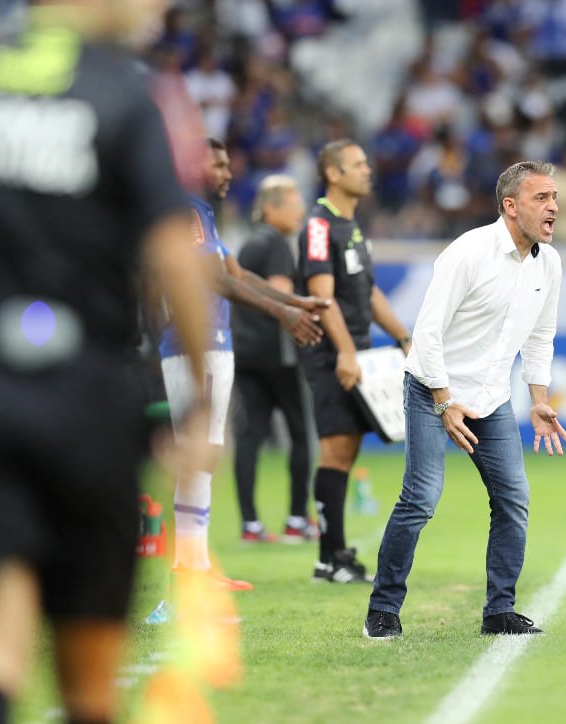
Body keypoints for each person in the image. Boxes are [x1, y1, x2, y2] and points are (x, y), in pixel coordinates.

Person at [0, 1, 216, 721]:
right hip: (84, 398)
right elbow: (173, 254)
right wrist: (203, 397)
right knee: (89, 682)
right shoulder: (126, 94)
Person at [364, 161, 566, 640]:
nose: (554, 207)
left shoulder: (550, 263)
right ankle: (383, 610)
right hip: (431, 388)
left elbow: (540, 337)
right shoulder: (469, 252)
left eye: (554, 197)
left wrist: (538, 399)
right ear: (511, 206)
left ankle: (499, 611)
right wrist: (444, 400)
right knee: (421, 499)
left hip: (492, 397)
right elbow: (427, 333)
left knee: (513, 500)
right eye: (542, 198)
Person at [156, 139, 328, 602]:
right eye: (218, 163)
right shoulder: (186, 208)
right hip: (196, 343)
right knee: (199, 455)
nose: (228, 171)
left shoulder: (203, 214)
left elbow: (237, 272)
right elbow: (214, 279)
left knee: (206, 456)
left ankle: (195, 567)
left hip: (216, 344)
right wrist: (282, 316)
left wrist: (294, 301)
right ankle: (186, 574)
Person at [297, 138, 413, 584]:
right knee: (335, 451)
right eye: (358, 164)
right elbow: (323, 298)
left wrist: (403, 336)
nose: (368, 170)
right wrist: (345, 351)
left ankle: (337, 553)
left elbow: (368, 291)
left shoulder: (353, 227)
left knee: (346, 452)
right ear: (333, 173)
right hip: (331, 352)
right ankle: (328, 560)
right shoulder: (319, 227)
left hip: (358, 349)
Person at [231, 174, 319, 543]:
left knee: (251, 434)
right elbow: (281, 295)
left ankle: (250, 523)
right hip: (279, 354)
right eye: (295, 205)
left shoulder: (247, 245)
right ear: (271, 208)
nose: (300, 213)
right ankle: (297, 519)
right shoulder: (278, 246)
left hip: (244, 351)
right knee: (301, 434)